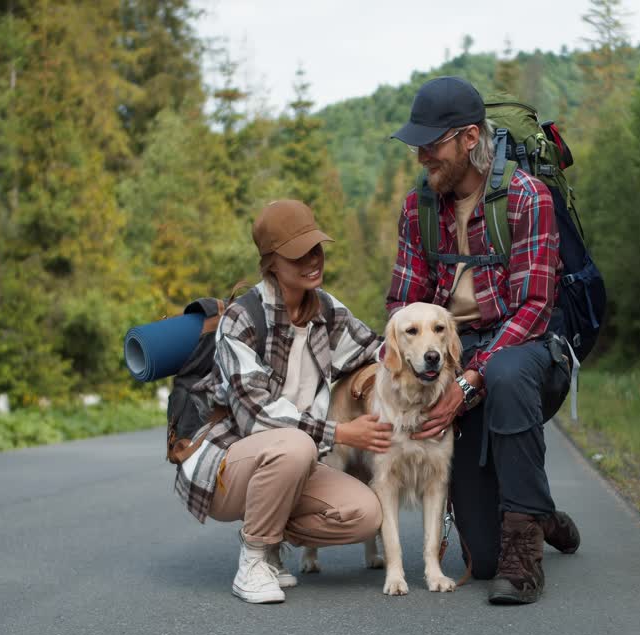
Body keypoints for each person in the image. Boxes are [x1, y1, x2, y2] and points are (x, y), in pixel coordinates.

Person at [386, 76, 581, 605]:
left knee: (505, 371)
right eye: (418, 143)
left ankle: (526, 559)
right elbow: (402, 306)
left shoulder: (526, 198)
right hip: (450, 355)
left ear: (470, 138)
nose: (422, 154)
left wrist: (467, 385)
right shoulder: (419, 209)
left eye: (433, 142)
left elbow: (535, 309)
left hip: (528, 353)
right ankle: (536, 510)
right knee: (484, 556)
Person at [176, 199, 392, 604]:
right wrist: (343, 432)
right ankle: (254, 557)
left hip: (295, 461)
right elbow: (259, 418)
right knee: (295, 443)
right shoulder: (241, 320)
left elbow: (375, 351)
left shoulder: (328, 310)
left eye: (316, 248)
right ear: (271, 262)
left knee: (366, 514)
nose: (313, 261)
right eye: (298, 255)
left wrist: (427, 356)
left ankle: (273, 535)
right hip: (227, 464)